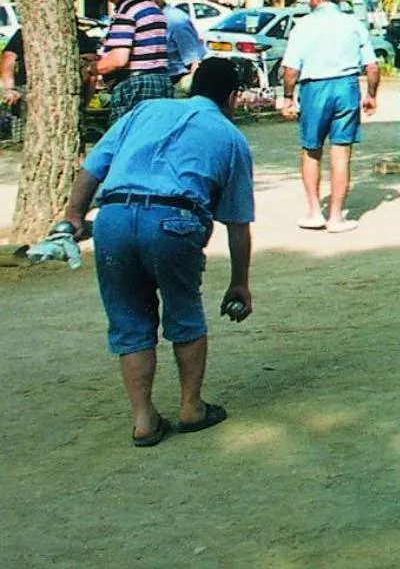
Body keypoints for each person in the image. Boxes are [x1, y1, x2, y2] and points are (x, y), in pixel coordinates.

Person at [39, 58, 254, 446]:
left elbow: (91, 168)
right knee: (184, 313)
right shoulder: (231, 138)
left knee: (129, 319)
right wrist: (240, 282)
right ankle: (191, 407)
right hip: (176, 220)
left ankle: (143, 419)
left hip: (115, 216)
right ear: (233, 97)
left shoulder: (146, 111)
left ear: (191, 86)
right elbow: (238, 224)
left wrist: (73, 216)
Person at [278, 0, 380, 232]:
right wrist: (371, 94)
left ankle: (314, 211)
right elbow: (372, 65)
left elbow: (291, 68)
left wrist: (288, 97)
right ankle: (336, 216)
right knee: (341, 152)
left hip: (314, 87)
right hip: (346, 86)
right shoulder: (353, 23)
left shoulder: (303, 26)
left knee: (311, 150)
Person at [93, 0, 173, 123]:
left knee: (126, 140)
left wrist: (91, 69)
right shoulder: (152, 7)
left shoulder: (128, 11)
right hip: (160, 82)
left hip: (135, 86)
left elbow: (118, 59)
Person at [147, 0, 206, 95]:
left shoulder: (175, 21)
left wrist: (193, 93)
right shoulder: (154, 19)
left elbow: (194, 60)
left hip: (177, 83)